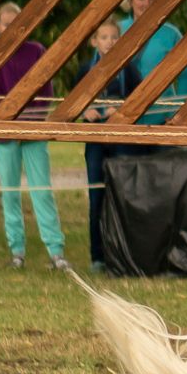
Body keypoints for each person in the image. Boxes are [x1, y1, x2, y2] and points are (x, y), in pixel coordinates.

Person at [0, 2, 68, 271]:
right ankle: (17, 252)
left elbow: (46, 91)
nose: (12, 28)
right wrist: (10, 124)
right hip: (5, 134)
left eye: (17, 23)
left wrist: (30, 125)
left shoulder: (36, 51)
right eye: (6, 24)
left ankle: (56, 252)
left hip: (34, 132)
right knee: (10, 193)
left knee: (41, 191)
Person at [78, 18, 139, 274]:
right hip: (94, 141)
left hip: (121, 140)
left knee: (123, 195)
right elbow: (75, 101)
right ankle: (98, 257)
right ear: (94, 41)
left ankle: (123, 256)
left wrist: (122, 111)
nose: (109, 42)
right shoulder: (85, 69)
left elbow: (139, 100)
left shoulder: (129, 69)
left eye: (114, 37)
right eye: (104, 37)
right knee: (96, 197)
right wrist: (85, 111)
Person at [120, 0, 187, 124]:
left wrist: (177, 112)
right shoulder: (117, 31)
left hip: (161, 117)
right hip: (120, 116)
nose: (146, 4)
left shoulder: (171, 34)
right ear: (130, 1)